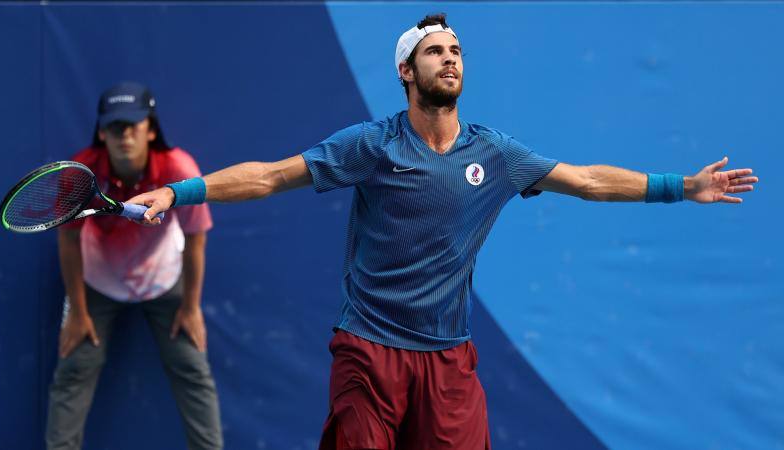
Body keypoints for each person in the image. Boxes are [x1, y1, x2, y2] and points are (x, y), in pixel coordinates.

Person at [129, 14, 757, 450]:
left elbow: (588, 179)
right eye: (435, 52)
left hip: (447, 361)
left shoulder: (497, 153)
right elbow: (268, 176)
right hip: (368, 353)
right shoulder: (371, 146)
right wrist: (179, 191)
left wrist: (684, 186)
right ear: (407, 71)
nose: (450, 58)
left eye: (456, 51)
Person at [46, 82, 223, 450]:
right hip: (97, 284)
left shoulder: (178, 168)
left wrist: (190, 307)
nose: (124, 134)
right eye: (114, 126)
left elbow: (196, 237)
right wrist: (77, 310)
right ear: (101, 132)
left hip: (164, 282)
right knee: (74, 369)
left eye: (133, 125)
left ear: (151, 130)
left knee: (193, 368)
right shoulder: (80, 174)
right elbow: (68, 240)